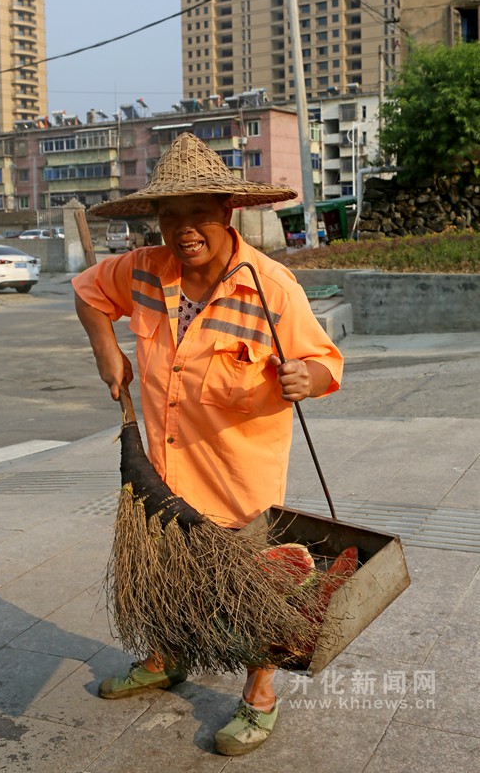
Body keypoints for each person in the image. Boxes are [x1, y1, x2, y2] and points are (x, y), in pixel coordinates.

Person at [73, 133, 343, 756]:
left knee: (257, 590)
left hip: (238, 480)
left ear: (226, 213)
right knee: (168, 574)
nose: (183, 229)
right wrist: (106, 348)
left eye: (198, 213)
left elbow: (326, 362)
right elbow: (87, 291)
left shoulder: (270, 288)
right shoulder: (142, 269)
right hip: (165, 472)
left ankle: (259, 696)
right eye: (170, 215)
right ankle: (166, 658)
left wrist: (308, 377)